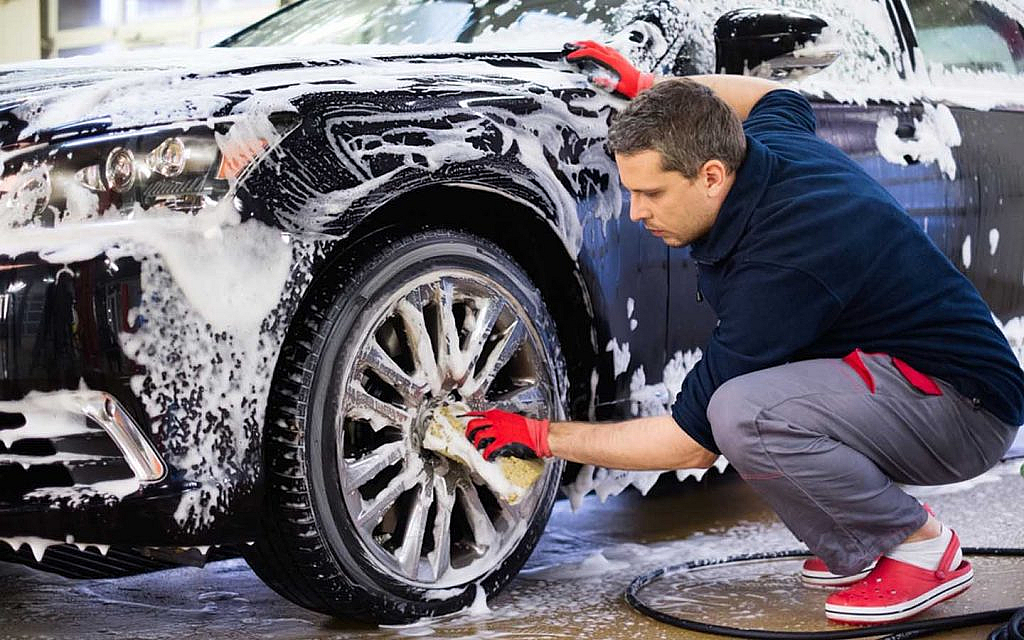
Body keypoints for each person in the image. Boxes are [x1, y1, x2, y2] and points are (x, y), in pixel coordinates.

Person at [463, 40, 1024, 625]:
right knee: (749, 402)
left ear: (710, 176)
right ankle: (859, 544)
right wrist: (653, 88)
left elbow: (692, 442)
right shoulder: (764, 147)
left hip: (965, 412)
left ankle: (921, 547)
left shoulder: (781, 266)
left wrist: (542, 436)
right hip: (909, 378)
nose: (635, 212)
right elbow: (777, 94)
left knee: (741, 412)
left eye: (651, 193)